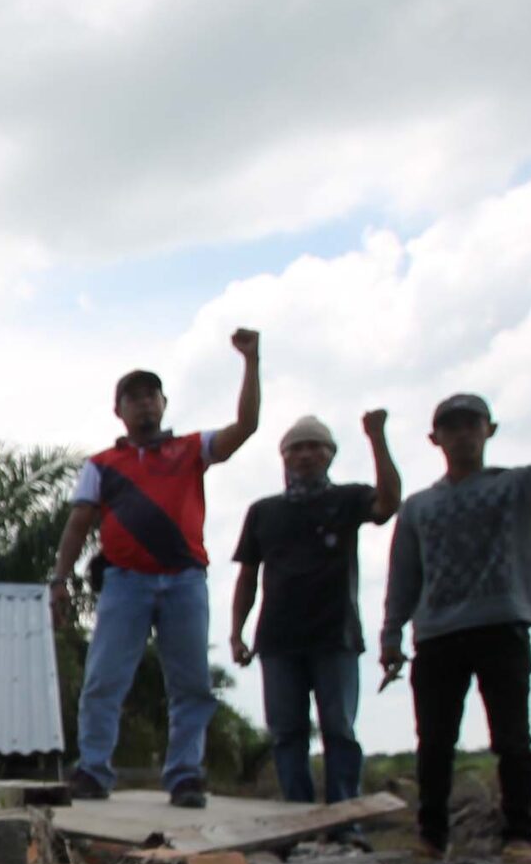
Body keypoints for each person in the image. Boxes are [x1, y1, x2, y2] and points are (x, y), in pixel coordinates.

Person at [380, 362, 531, 864]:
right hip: (436, 635)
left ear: (489, 431)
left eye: (470, 425)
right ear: (435, 438)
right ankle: (431, 838)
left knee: (512, 739)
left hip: (502, 625)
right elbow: (403, 575)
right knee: (434, 742)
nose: (461, 435)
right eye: (451, 427)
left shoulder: (514, 487)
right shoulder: (418, 508)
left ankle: (520, 835)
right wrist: (391, 634)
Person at [50, 328, 261, 808]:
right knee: (104, 680)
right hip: (125, 582)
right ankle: (93, 771)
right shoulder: (102, 465)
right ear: (118, 410)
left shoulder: (190, 449)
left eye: (151, 396)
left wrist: (251, 361)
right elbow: (78, 523)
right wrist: (59, 580)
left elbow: (244, 428)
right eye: (133, 398)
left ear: (164, 403)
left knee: (190, 684)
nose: (144, 405)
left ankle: (186, 775)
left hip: (185, 580)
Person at [229, 410, 401, 808]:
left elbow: (389, 503)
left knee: (339, 729)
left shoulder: (348, 499)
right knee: (287, 733)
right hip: (277, 640)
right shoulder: (263, 511)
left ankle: (345, 819)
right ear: (284, 457)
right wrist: (237, 633)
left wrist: (377, 437)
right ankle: (298, 816)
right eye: (296, 448)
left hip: (335, 635)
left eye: (314, 447)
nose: (305, 455)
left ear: (330, 454)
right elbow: (247, 576)